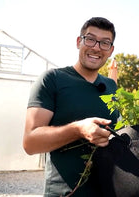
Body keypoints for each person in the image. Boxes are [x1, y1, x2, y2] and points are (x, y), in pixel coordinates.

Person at [23, 17, 119, 196]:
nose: (96, 47)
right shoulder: (52, 80)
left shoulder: (111, 87)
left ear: (111, 50)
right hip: (65, 193)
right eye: (90, 39)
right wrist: (78, 129)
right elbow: (30, 143)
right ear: (78, 42)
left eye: (105, 43)